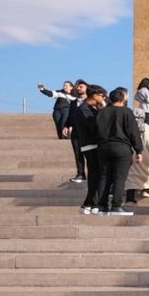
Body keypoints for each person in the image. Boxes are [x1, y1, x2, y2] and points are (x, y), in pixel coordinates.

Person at [93, 87, 143, 216]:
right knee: (119, 178)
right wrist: (139, 150)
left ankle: (102, 206)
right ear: (122, 98)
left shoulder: (102, 112)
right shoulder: (126, 112)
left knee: (104, 177)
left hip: (103, 147)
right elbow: (133, 132)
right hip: (121, 148)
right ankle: (116, 206)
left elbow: (96, 130)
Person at [66, 85, 107, 215]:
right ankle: (93, 203)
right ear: (95, 95)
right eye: (102, 96)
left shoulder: (90, 108)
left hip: (93, 145)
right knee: (96, 175)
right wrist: (103, 110)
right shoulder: (83, 109)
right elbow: (94, 126)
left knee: (96, 175)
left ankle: (88, 204)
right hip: (91, 145)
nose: (104, 98)